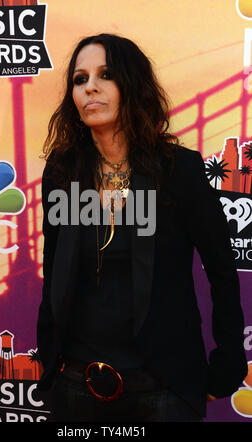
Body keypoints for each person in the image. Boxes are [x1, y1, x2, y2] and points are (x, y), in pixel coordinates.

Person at [36, 33, 247, 422]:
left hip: (162, 390)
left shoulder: (177, 170)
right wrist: (49, 359)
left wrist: (228, 361)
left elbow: (221, 269)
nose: (91, 87)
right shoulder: (62, 172)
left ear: (132, 85)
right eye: (79, 79)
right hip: (77, 388)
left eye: (106, 74)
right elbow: (53, 271)